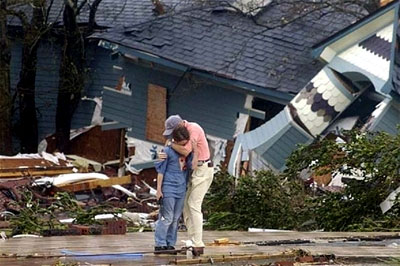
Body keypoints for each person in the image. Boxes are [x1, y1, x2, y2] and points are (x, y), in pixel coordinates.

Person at [162, 115, 214, 256]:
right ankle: (192, 241)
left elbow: (186, 150)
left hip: (203, 169)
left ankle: (198, 243)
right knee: (186, 205)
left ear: (180, 126)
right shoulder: (183, 132)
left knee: (193, 204)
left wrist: (170, 144)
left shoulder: (194, 129)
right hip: (194, 171)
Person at [154, 126, 192, 254]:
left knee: (176, 218)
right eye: (183, 142)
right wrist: (159, 190)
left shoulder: (187, 153)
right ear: (176, 140)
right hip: (169, 187)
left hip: (181, 188)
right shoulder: (167, 151)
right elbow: (161, 171)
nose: (184, 144)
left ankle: (170, 243)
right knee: (167, 217)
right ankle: (160, 243)